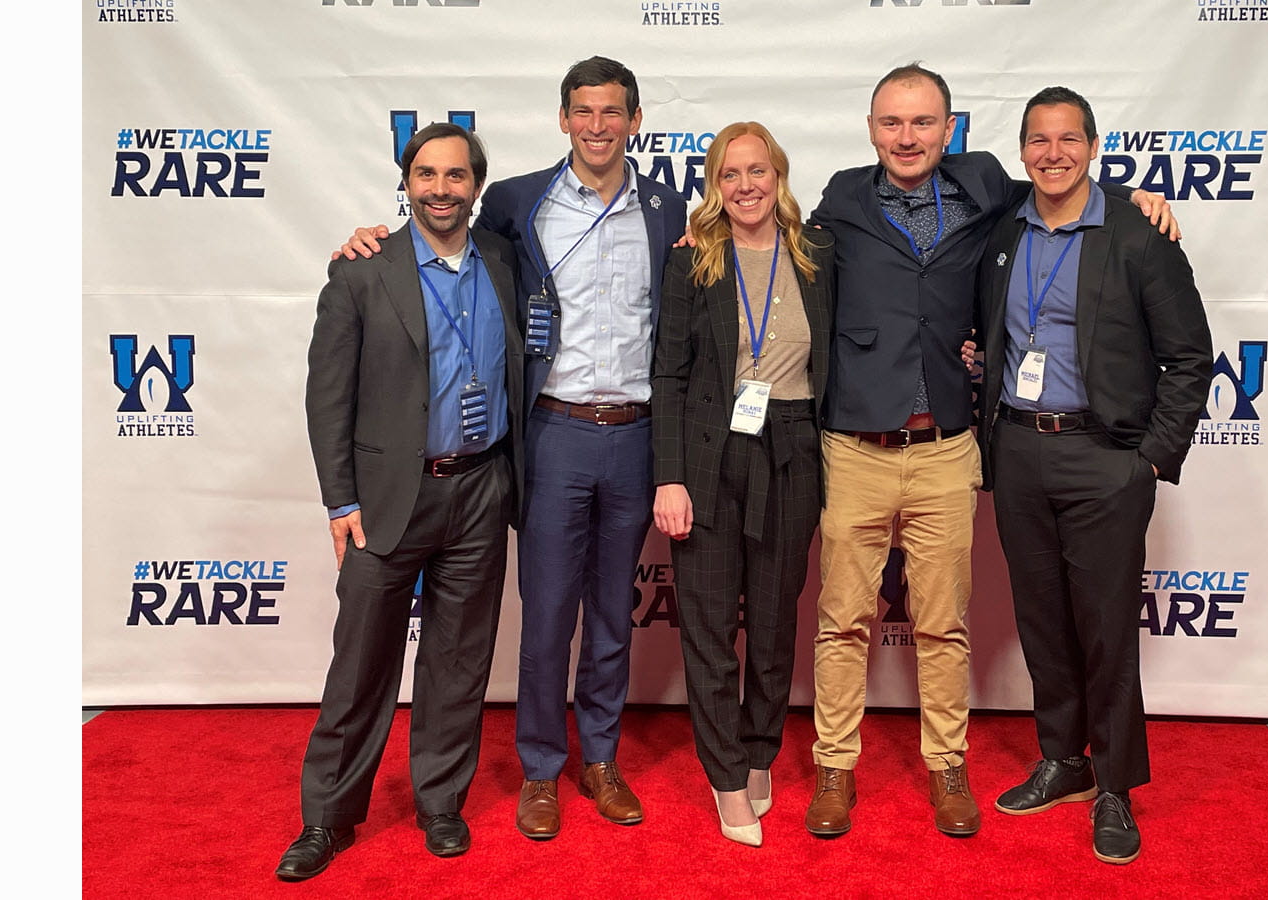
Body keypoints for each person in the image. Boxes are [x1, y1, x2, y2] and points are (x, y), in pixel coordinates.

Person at [802, 63, 1176, 839]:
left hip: (949, 445)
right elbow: (770, 245)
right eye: (891, 123)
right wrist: (701, 231)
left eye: (923, 123)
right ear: (872, 129)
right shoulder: (839, 199)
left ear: (950, 128)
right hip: (857, 446)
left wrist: (1138, 200)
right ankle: (834, 768)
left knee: (945, 624)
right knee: (842, 621)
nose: (907, 138)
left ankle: (949, 769)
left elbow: (1067, 187)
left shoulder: (988, 192)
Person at [339, 57, 687, 841]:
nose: (598, 126)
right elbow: (442, 255)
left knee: (611, 614)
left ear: (635, 122)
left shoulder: (667, 208)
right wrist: (371, 239)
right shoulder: (515, 202)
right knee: (548, 615)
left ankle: (599, 759)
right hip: (553, 434)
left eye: (613, 113)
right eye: (583, 111)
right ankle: (539, 769)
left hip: (634, 434)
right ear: (562, 118)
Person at [276, 122, 525, 882]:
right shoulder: (362, 270)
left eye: (456, 176)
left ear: (476, 186)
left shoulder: (504, 260)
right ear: (406, 182)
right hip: (388, 497)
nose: (441, 189)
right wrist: (339, 499)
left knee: (459, 660)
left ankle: (440, 803)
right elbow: (329, 399)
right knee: (360, 665)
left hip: (481, 487)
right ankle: (326, 818)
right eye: (426, 174)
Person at [972, 86, 1212, 865]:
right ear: (1021, 152)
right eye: (1038, 141)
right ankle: (1063, 759)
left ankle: (1114, 785)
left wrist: (1147, 460)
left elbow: (1189, 357)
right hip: (1017, 449)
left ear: (1094, 146)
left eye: (1067, 139)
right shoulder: (1002, 229)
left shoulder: (1136, 234)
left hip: (1104, 459)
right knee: (1043, 621)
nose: (1053, 154)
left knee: (1106, 629)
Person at [650, 122, 834, 848]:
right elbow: (667, 375)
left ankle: (761, 752)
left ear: (779, 177)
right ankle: (725, 775)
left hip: (794, 448)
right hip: (710, 453)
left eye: (758, 171)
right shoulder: (693, 262)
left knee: (775, 621)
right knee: (709, 628)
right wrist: (669, 477)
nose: (746, 186)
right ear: (714, 186)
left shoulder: (818, 255)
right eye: (730, 174)